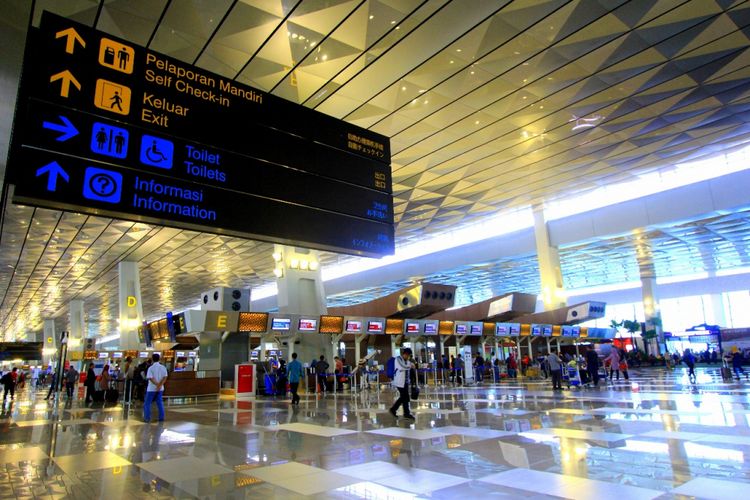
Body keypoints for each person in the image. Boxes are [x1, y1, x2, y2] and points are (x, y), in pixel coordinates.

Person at [389, 348, 415, 420]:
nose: (408, 357)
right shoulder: (398, 359)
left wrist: (411, 364)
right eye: (408, 355)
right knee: (404, 397)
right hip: (399, 382)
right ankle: (395, 410)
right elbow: (403, 366)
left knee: (405, 397)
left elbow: (408, 364)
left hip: (405, 382)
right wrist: (410, 365)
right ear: (405, 354)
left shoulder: (405, 360)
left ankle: (404, 413)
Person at [143, 353, 168, 423]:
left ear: (152, 359)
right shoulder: (163, 367)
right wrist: (160, 385)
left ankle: (147, 418)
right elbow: (165, 377)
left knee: (147, 403)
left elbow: (150, 378)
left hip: (151, 389)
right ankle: (161, 417)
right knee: (159, 402)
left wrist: (157, 384)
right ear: (159, 359)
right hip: (160, 389)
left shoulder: (150, 368)